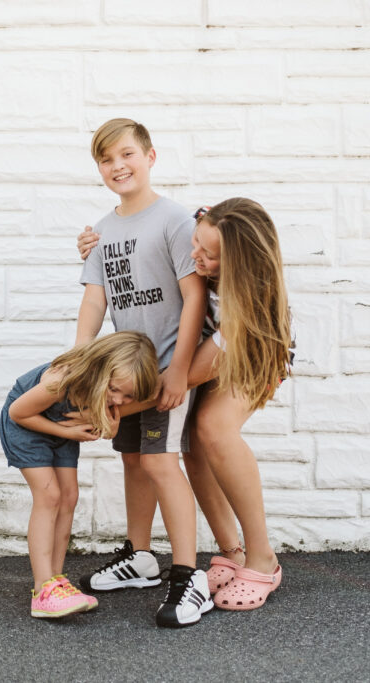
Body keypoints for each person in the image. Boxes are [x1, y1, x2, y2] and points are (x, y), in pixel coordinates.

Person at [78, 197, 293, 612]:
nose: (195, 254)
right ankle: (232, 552)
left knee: (213, 427)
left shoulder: (248, 302)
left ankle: (263, 558)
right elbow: (144, 235)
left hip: (253, 349)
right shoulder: (202, 223)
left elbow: (182, 379)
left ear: (238, 262)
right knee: (193, 441)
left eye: (208, 256)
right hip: (203, 341)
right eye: (197, 242)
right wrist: (97, 243)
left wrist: (113, 411)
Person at [74, 118, 212, 628]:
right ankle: (141, 557)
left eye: (127, 154)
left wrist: (179, 372)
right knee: (133, 459)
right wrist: (78, 366)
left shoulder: (175, 219)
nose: (118, 166)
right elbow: (95, 299)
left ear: (150, 156)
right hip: (126, 375)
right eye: (107, 160)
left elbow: (195, 295)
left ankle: (188, 575)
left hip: (168, 371)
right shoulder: (102, 231)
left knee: (160, 463)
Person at [0, 331, 159, 619]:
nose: (120, 400)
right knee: (49, 496)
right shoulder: (61, 381)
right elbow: (18, 413)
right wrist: (67, 431)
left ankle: (57, 580)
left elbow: (108, 429)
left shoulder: (112, 388)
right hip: (28, 426)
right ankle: (42, 588)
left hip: (61, 429)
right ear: (101, 369)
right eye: (115, 390)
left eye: (128, 397)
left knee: (69, 497)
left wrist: (107, 422)